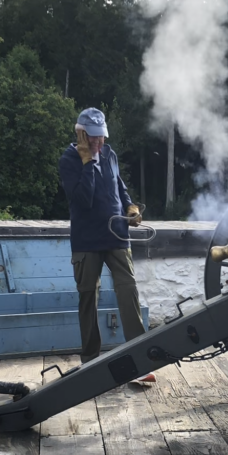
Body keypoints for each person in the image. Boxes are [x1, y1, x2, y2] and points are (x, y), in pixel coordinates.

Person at [58, 107, 155, 382]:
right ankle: (90, 361)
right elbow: (82, 200)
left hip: (117, 234)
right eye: (93, 138)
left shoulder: (109, 153)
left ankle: (139, 358)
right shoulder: (68, 160)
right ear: (81, 134)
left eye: (101, 137)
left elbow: (119, 187)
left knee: (129, 290)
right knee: (89, 297)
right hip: (87, 240)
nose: (98, 142)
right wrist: (88, 162)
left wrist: (131, 206)